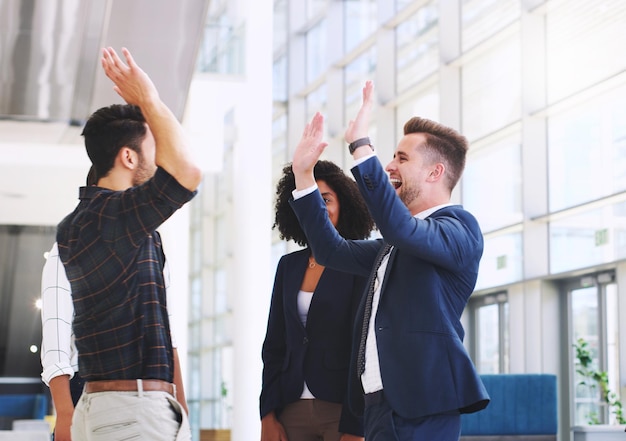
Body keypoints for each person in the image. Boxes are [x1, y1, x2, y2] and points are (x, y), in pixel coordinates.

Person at [288, 80, 489, 441]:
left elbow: (400, 228)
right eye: (391, 156)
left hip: (423, 404)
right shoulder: (394, 245)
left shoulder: (460, 228)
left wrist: (361, 146)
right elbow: (332, 251)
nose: (389, 165)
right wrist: (303, 176)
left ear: (434, 172)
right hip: (378, 405)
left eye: (401, 158)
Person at [56, 47, 202, 441]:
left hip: (103, 408)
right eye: (153, 151)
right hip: (131, 412)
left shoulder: (75, 226)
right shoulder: (117, 216)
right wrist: (147, 99)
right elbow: (188, 171)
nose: (160, 160)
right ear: (128, 157)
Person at [40, 167, 189, 441]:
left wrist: (182, 403)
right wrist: (64, 414)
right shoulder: (70, 244)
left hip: (156, 397)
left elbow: (168, 335)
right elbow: (56, 337)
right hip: (91, 390)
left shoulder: (152, 244)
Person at [260, 160, 375, 441]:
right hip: (290, 407)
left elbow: (364, 348)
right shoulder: (288, 266)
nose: (319, 208)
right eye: (312, 201)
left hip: (339, 409)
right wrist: (267, 415)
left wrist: (356, 424)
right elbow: (275, 345)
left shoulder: (360, 263)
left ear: (344, 206)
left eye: (326, 199)